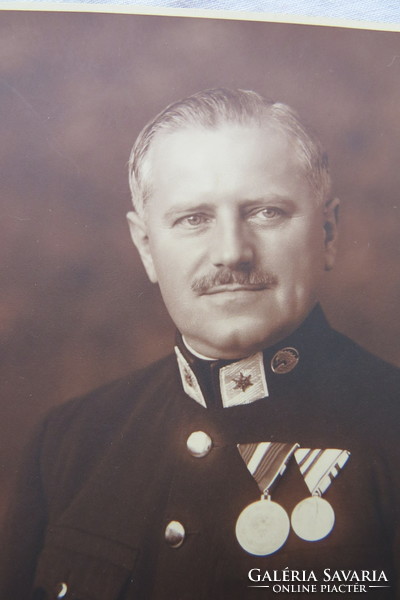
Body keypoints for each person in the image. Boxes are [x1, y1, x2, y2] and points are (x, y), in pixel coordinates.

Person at [1, 88, 399, 600]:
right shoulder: (69, 443)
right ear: (146, 248)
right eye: (194, 219)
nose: (232, 252)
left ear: (327, 232)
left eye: (266, 212)